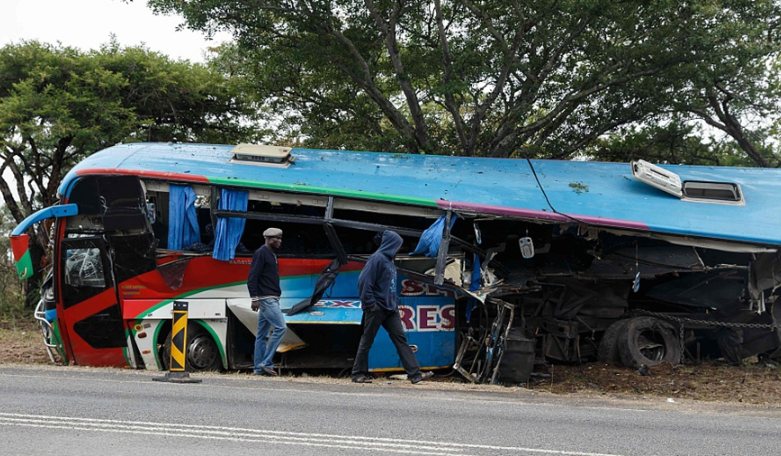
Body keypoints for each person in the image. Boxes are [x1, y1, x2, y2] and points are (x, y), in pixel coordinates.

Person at [351, 230, 433, 384]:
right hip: (377, 308)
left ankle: (415, 374)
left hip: (390, 308)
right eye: (397, 245)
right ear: (390, 244)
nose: (399, 249)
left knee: (401, 340)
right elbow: (363, 281)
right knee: (367, 340)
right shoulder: (377, 259)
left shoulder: (389, 261)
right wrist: (370, 304)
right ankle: (357, 374)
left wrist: (394, 303)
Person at [247, 227, 287, 376]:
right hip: (267, 299)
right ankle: (266, 363)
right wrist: (254, 298)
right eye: (277, 238)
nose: (280, 241)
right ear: (268, 238)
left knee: (262, 335)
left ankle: (258, 368)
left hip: (269, 298)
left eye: (280, 238)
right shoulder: (261, 253)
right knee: (281, 327)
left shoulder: (271, 254)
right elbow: (252, 277)